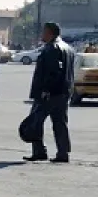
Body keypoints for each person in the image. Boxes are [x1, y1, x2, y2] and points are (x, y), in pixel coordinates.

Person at [26, 22, 75, 163]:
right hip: (63, 92)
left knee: (35, 121)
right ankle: (63, 153)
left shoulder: (52, 48)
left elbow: (54, 72)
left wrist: (46, 90)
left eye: (44, 32)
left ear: (50, 33)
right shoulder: (68, 48)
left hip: (49, 93)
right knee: (60, 123)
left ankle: (39, 151)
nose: (42, 35)